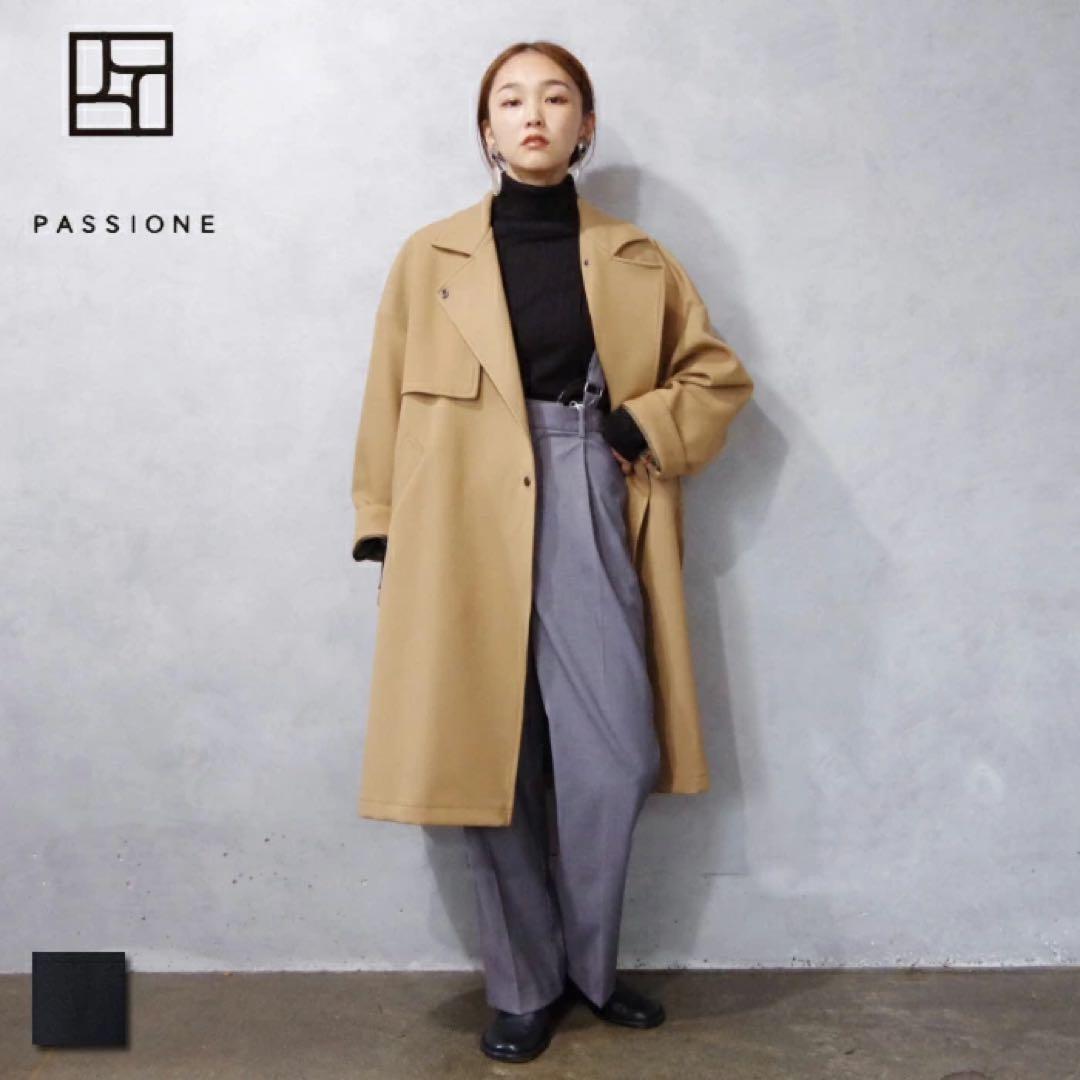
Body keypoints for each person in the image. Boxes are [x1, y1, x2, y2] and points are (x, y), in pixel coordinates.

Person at [349, 40, 754, 1065]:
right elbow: (387, 395)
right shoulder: (429, 257)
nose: (534, 115)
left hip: (585, 479)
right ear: (487, 130)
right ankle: (526, 986)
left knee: (612, 754)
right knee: (487, 753)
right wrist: (382, 522)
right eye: (511, 101)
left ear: (586, 125)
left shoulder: (638, 258)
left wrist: (635, 425)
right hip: (454, 511)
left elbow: (715, 379)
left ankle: (590, 969)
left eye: (556, 97)